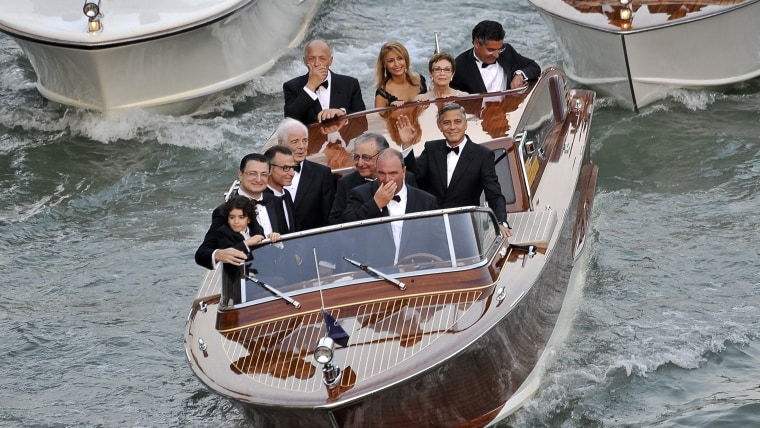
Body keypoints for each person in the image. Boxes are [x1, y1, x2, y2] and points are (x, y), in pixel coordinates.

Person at [397, 102, 511, 238]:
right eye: (446, 122)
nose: (452, 127)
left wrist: (500, 221)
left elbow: (494, 195)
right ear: (439, 126)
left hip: (466, 229)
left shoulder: (483, 155)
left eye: (457, 122)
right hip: (431, 228)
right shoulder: (431, 148)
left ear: (465, 124)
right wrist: (407, 145)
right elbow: (414, 179)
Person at [342, 149, 439, 266]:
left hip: (417, 273)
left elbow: (439, 243)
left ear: (403, 172)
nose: (387, 180)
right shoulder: (360, 194)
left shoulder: (426, 201)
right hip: (374, 274)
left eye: (393, 173)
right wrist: (375, 204)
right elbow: (347, 231)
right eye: (382, 173)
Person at [194, 153, 284, 270]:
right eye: (252, 174)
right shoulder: (224, 211)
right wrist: (219, 254)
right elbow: (202, 253)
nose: (258, 179)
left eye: (263, 174)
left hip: (284, 274)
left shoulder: (276, 202)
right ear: (240, 175)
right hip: (248, 280)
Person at [328, 132, 417, 225]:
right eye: (356, 157)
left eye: (366, 157)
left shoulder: (405, 178)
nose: (360, 163)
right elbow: (336, 223)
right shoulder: (346, 183)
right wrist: (375, 204)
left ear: (382, 156)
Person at [283, 39, 366, 125]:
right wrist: (310, 86)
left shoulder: (350, 84)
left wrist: (342, 113)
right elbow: (290, 120)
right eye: (311, 59)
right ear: (305, 61)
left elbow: (363, 122)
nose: (317, 64)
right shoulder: (292, 86)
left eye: (322, 59)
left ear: (330, 60)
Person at [450, 20, 541, 94]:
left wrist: (519, 75)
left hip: (508, 112)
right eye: (491, 50)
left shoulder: (506, 51)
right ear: (476, 43)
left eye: (499, 49)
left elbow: (534, 67)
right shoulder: (458, 67)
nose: (497, 55)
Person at [276, 118, 335, 230]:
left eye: (305, 141)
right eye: (295, 142)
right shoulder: (268, 174)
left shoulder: (322, 174)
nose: (302, 146)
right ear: (281, 144)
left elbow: (329, 219)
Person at [374, 41, 427, 108]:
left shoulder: (420, 80)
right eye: (391, 61)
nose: (397, 64)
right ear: (385, 64)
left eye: (400, 58)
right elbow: (377, 118)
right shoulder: (382, 94)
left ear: (406, 59)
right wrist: (392, 110)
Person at [263, 145, 298, 234]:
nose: (292, 173)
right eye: (285, 168)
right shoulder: (260, 199)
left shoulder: (286, 194)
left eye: (293, 167)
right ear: (269, 169)